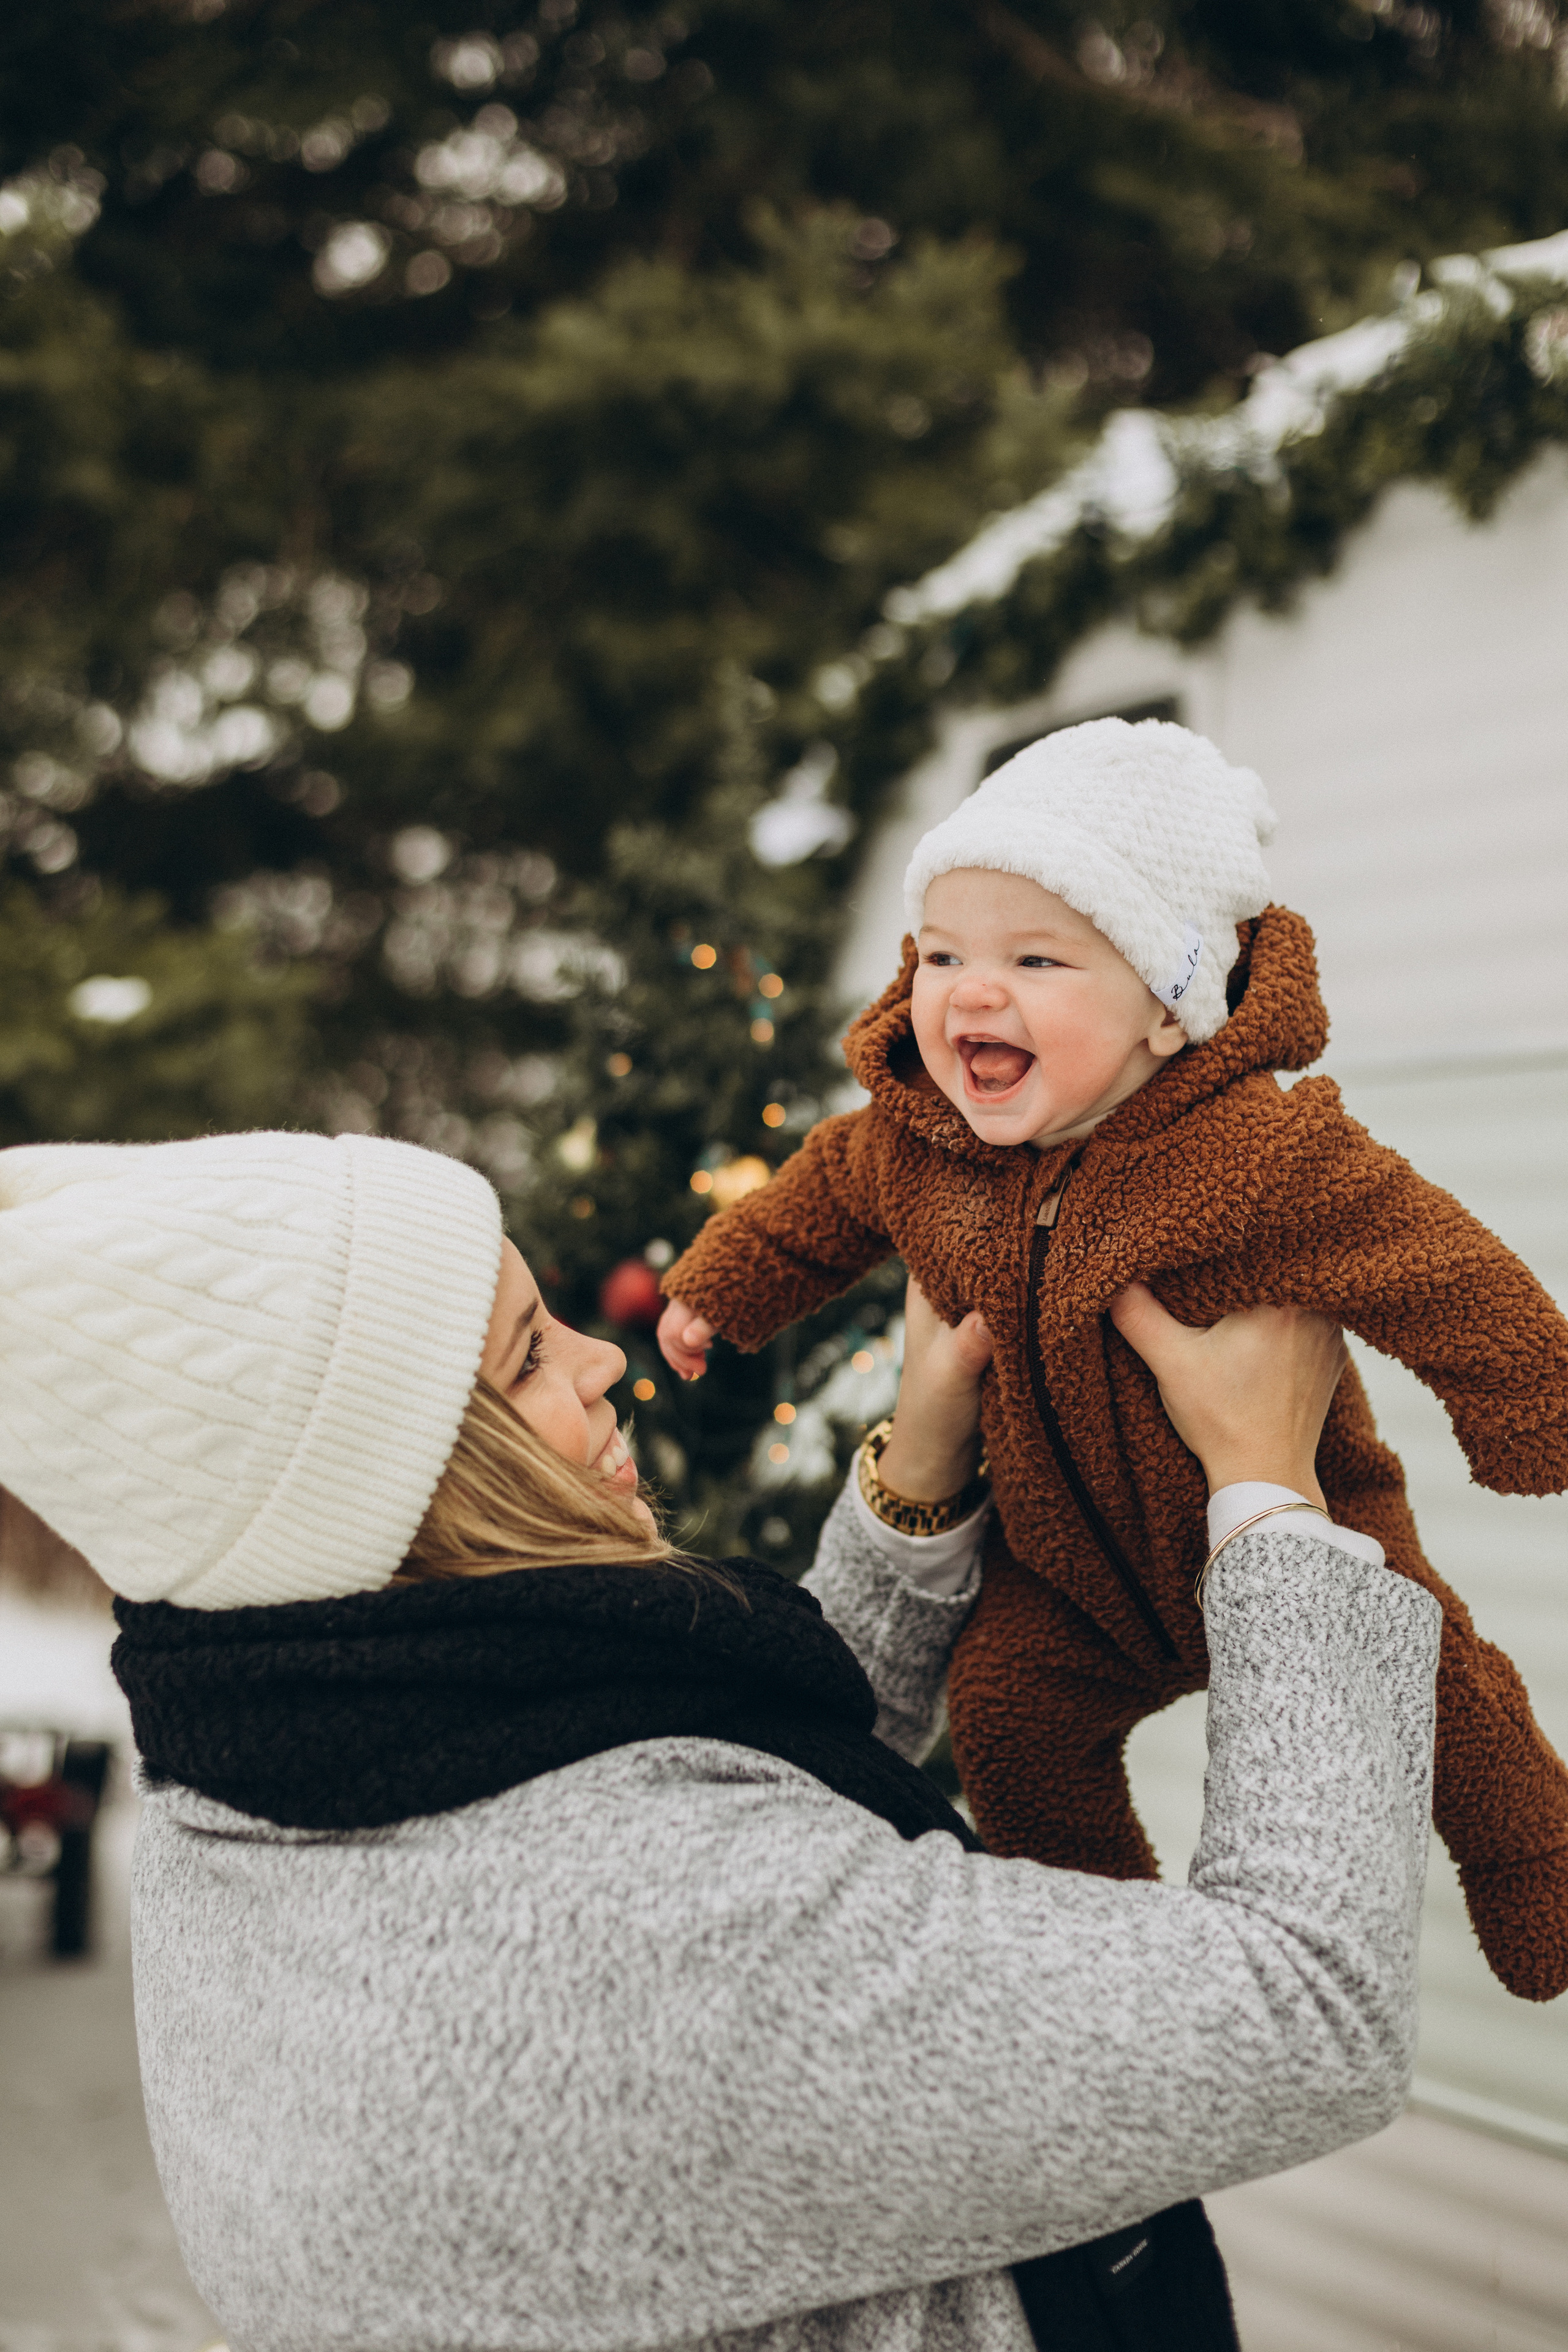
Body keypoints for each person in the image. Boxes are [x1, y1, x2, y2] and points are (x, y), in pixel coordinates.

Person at [0, 1131, 1441, 2352]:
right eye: (524, 1362)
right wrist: (1265, 1494)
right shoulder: (633, 1941)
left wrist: (918, 1475)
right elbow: (1304, 2007)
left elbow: (690, 1814)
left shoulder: (255, 1772)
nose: (603, 1358)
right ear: (409, 1495)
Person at [653, 715, 1568, 2002]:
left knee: (1434, 1684)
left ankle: (1535, 1863)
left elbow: (1430, 1262)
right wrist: (720, 1288)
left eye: (1035, 958)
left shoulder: (1261, 1155)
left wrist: (1531, 1408)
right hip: (1067, 1576)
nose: (970, 992)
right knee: (1006, 1719)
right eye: (941, 955)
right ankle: (1105, 1970)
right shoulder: (911, 1144)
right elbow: (814, 1201)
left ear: (1163, 1008)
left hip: (1297, 1528)